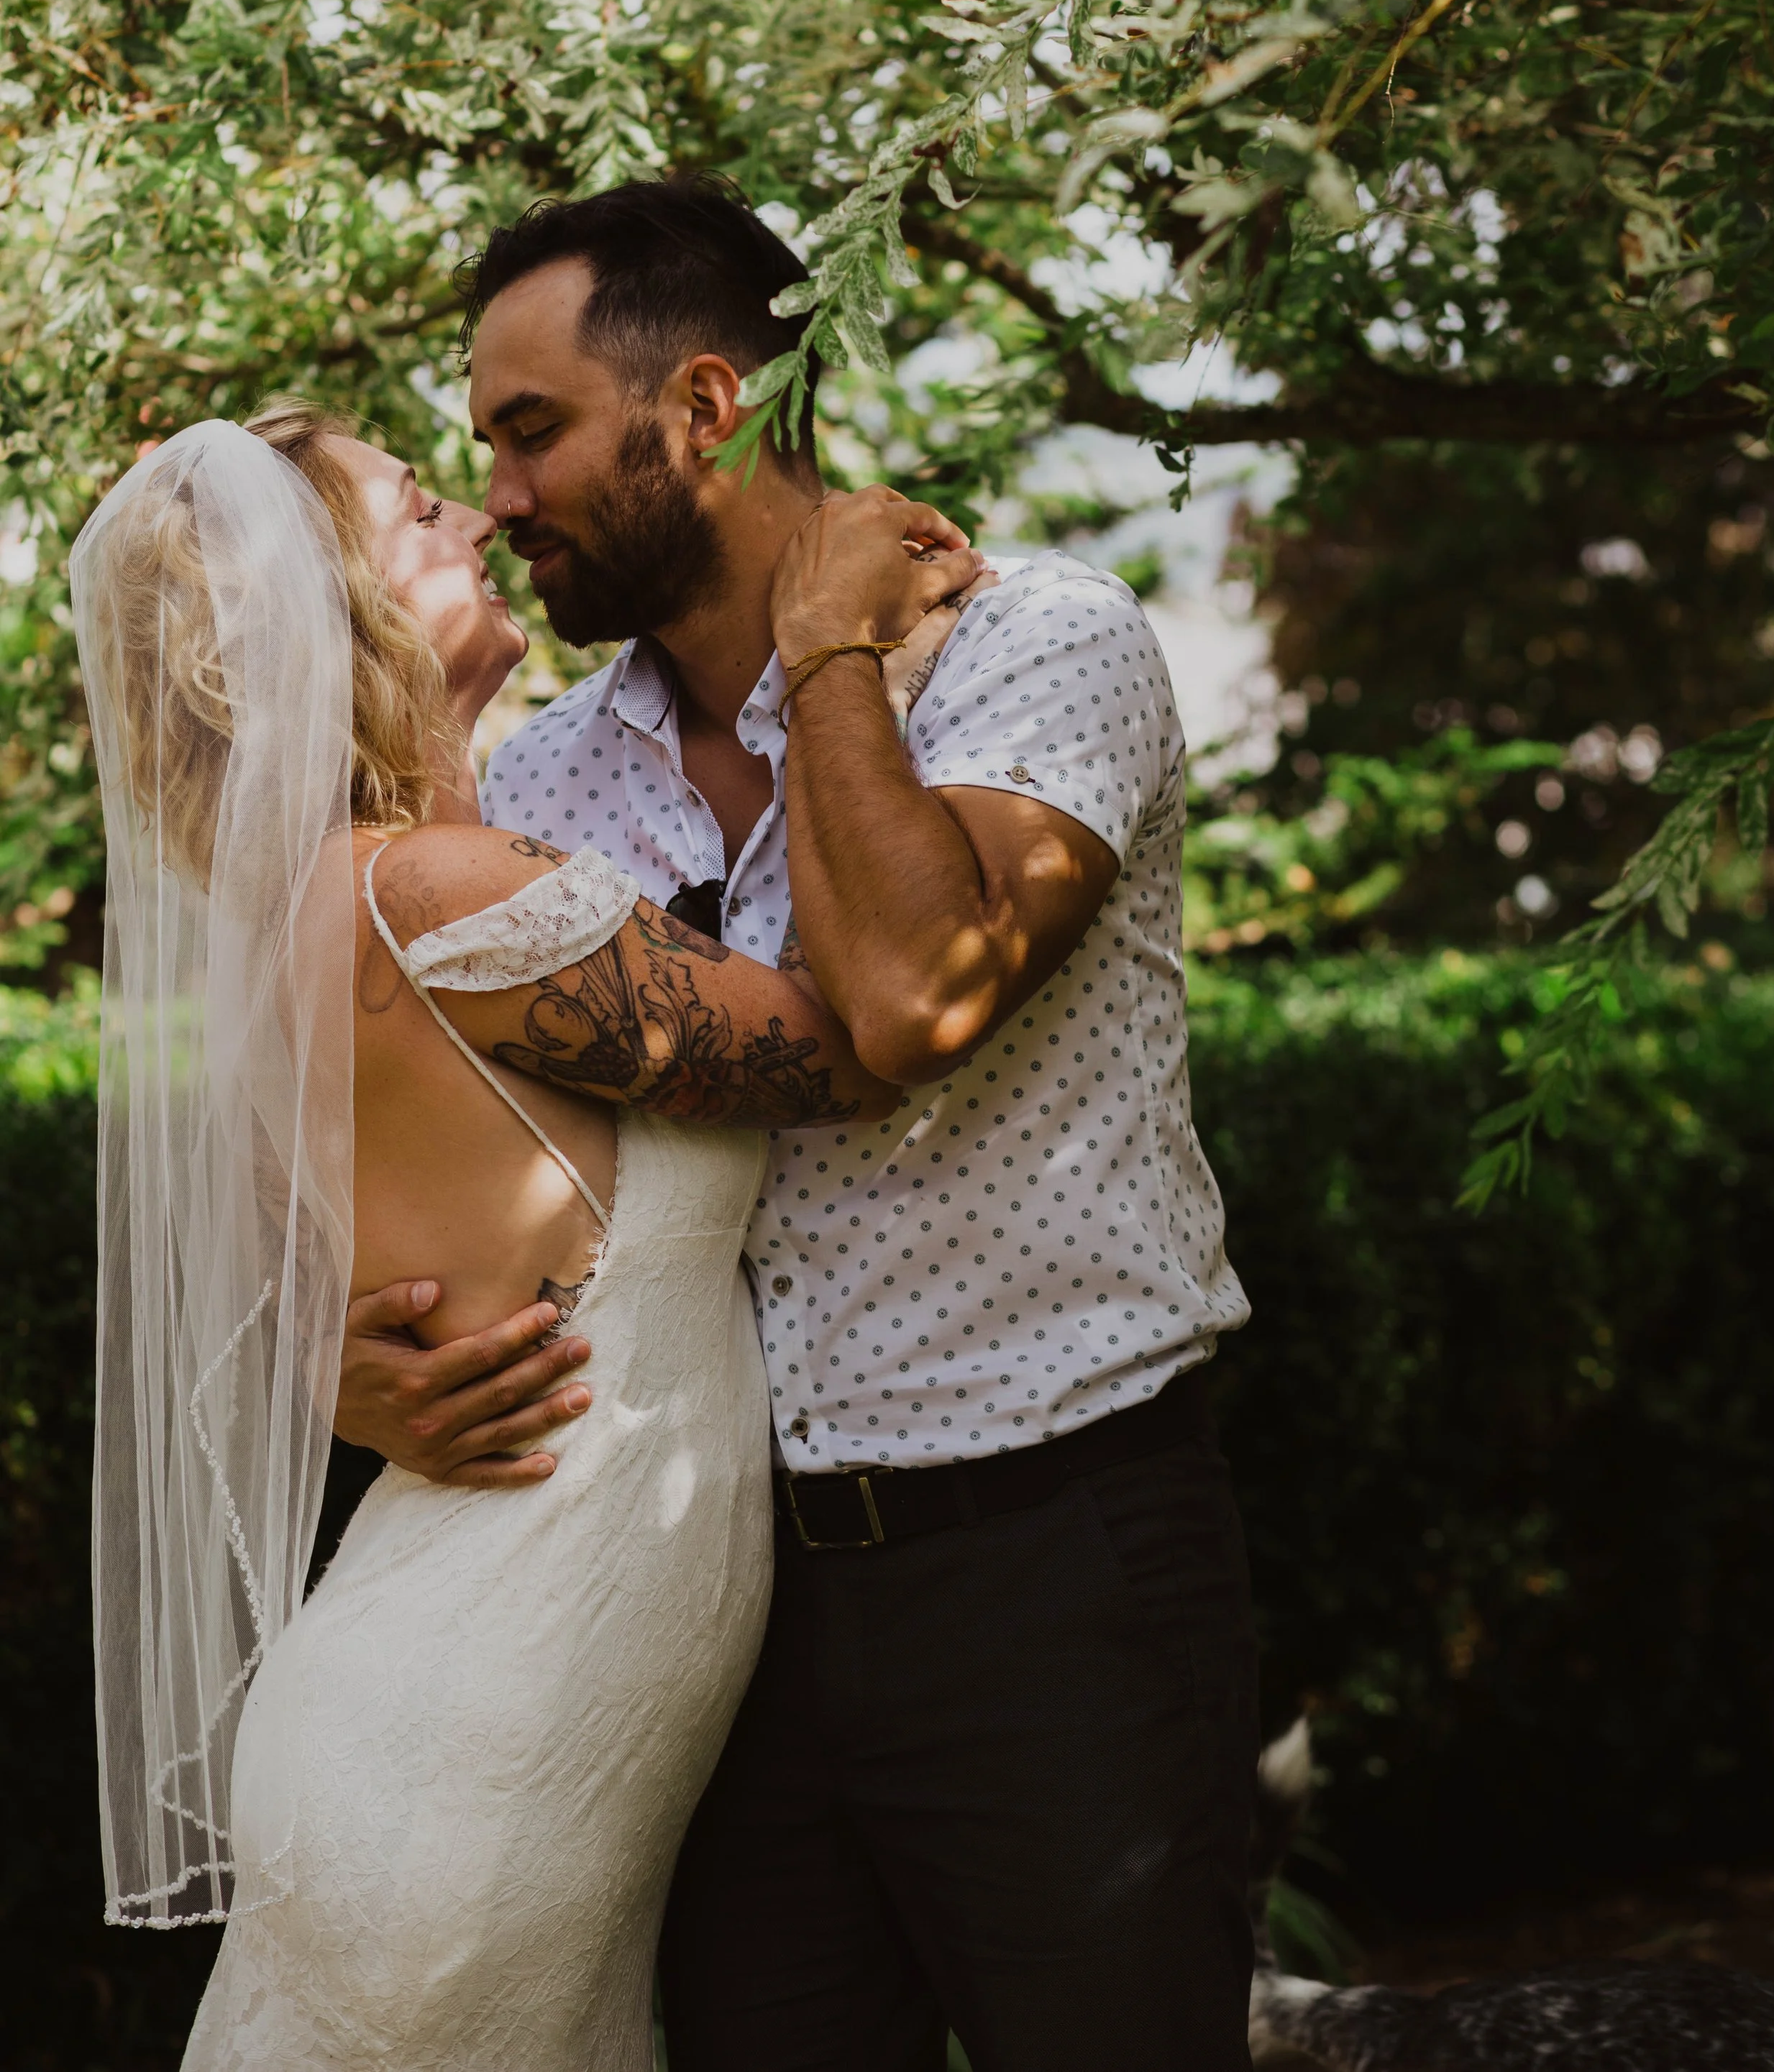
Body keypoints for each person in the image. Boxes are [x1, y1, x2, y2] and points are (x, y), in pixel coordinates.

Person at [337, 173, 1259, 2072]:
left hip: (1054, 1559)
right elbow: (466, 1153)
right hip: (704, 1614)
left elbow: (917, 993)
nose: (496, 492)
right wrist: (351, 1364)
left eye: (529, 430)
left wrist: (828, 649)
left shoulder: (1041, 645)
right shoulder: (540, 771)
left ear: (700, 410)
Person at [74, 403, 969, 2071]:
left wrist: (345, 1374)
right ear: (331, 599)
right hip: (479, 1751)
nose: (477, 524)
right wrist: (846, 659)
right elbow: (860, 1037)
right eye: (420, 508)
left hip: (466, 1713)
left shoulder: (300, 921)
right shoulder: (435, 893)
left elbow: (321, 1300)